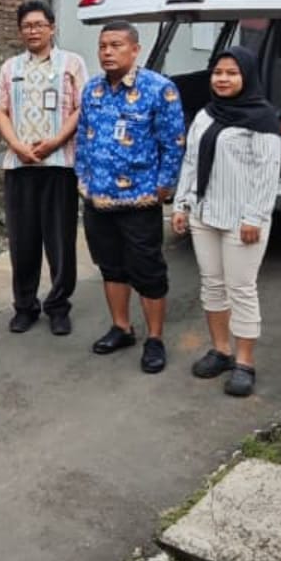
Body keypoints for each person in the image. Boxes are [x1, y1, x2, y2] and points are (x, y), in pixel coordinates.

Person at [172, 46, 281, 397]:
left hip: (242, 221)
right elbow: (190, 162)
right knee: (213, 286)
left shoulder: (263, 119)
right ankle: (221, 350)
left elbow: (268, 174)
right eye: (217, 72)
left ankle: (244, 362)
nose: (222, 79)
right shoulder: (206, 114)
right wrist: (181, 205)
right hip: (205, 215)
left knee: (241, 289)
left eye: (231, 73)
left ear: (246, 77)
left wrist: (255, 216)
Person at [75, 21, 185, 374]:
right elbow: (82, 139)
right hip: (99, 200)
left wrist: (163, 186)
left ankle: (155, 339)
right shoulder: (92, 90)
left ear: (135, 49)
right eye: (103, 45)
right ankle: (121, 327)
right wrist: (83, 180)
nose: (107, 52)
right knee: (111, 266)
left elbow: (173, 143)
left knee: (148, 269)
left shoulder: (159, 89)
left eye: (116, 45)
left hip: (140, 200)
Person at [0, 0, 88, 336]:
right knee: (22, 241)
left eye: (38, 24)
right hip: (19, 167)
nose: (32, 30)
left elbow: (81, 108)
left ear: (51, 27)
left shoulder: (72, 64)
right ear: (20, 31)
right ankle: (25, 306)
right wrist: (17, 146)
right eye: (26, 26)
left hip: (59, 165)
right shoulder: (10, 68)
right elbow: (0, 110)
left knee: (60, 240)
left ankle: (58, 306)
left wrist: (55, 142)